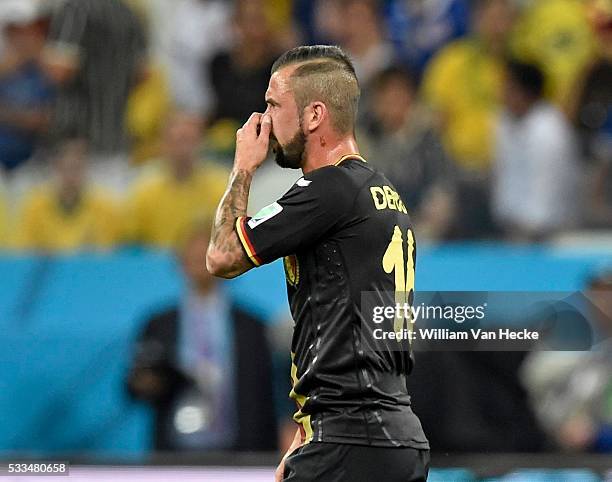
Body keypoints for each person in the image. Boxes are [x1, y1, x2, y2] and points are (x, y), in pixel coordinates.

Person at [206, 45, 429, 482]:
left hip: (350, 442)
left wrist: (242, 169)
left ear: (313, 116)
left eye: (273, 105)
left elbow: (221, 255)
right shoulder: (380, 193)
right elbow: (342, 333)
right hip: (393, 436)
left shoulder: (327, 190)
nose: (264, 121)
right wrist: (304, 436)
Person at [127, 222, 277, 451]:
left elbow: (270, 393)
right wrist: (150, 382)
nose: (201, 261)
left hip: (242, 453)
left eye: (207, 252)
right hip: (174, 450)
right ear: (179, 262)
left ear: (229, 258)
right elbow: (134, 387)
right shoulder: (158, 324)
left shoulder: (253, 326)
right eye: (193, 255)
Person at [492, 60, 580, 241]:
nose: (501, 94)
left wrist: (527, 234)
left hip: (551, 231)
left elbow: (547, 193)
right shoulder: (504, 121)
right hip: (513, 225)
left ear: (525, 93)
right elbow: (504, 179)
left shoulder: (550, 131)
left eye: (508, 88)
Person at [125, 112, 228, 248]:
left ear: (201, 143)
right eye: (177, 141)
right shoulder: (144, 190)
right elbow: (130, 241)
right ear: (164, 144)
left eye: (189, 140)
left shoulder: (222, 187)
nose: (183, 149)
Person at [14, 139, 122, 252]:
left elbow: (118, 253)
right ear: (55, 166)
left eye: (77, 166)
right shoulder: (34, 207)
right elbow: (23, 254)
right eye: (66, 167)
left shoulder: (106, 207)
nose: (71, 175)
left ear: (87, 166)